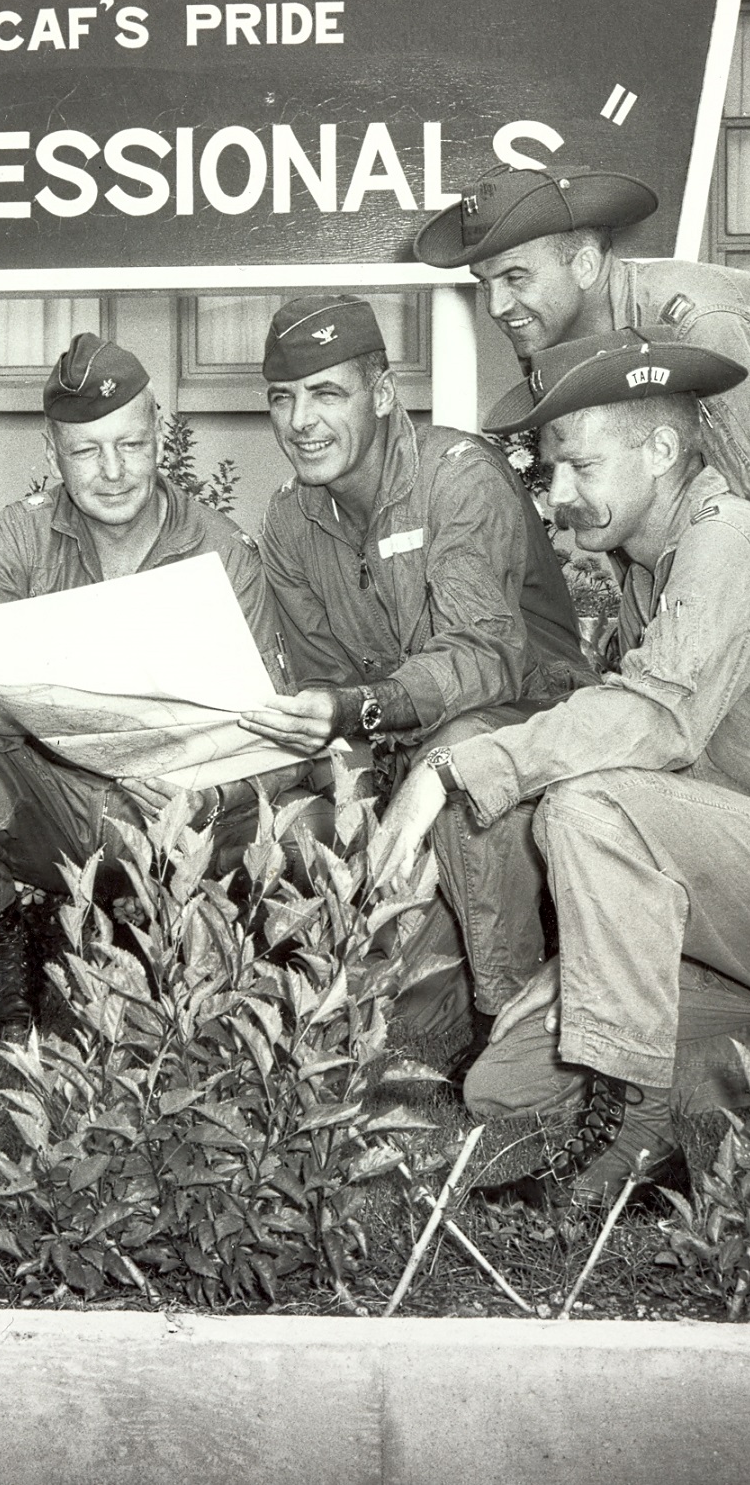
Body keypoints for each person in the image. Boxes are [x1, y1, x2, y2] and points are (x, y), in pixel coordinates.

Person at [369, 330, 750, 1202]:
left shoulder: (727, 541)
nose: (557, 497)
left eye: (581, 467)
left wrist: (447, 769)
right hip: (738, 908)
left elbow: (651, 722)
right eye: (547, 472)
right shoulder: (647, 576)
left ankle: (632, 1148)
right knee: (504, 1082)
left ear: (661, 450)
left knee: (590, 807)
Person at [0, 333, 294, 1040]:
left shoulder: (222, 552)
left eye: (130, 445)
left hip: (167, 806)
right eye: (85, 451)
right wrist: (33, 725)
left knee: (164, 1029)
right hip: (47, 790)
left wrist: (207, 793)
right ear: (53, 458)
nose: (112, 471)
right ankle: (5, 925)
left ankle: (139, 919)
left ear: (157, 436)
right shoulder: (20, 538)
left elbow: (274, 733)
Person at [238, 292, 596, 1054]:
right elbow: (327, 681)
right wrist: (350, 808)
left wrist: (358, 712)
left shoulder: (459, 478)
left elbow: (486, 656)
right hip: (400, 752)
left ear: (381, 391)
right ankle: (411, 970)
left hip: (529, 735)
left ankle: (505, 1022)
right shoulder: (289, 518)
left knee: (462, 762)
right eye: (282, 397)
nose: (301, 420)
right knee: (302, 829)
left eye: (326, 393)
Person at [414, 164, 750, 668]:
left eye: (515, 277)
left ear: (586, 266)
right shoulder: (549, 332)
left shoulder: (698, 322)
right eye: (484, 283)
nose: (497, 305)